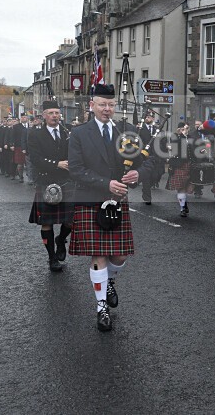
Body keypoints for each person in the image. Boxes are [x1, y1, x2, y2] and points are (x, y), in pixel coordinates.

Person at [68, 84, 156, 332]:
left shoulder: (126, 131)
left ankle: (109, 281)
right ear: (92, 105)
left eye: (111, 105)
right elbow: (76, 169)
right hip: (90, 199)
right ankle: (101, 307)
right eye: (102, 104)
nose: (107, 109)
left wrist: (138, 173)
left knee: (119, 255)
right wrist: (107, 183)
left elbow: (148, 162)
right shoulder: (79, 133)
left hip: (117, 203)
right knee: (98, 254)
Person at [27, 100, 74, 272]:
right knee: (46, 222)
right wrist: (56, 164)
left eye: (57, 112)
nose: (55, 116)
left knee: (71, 220)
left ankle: (61, 240)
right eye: (51, 113)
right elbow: (35, 159)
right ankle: (52, 257)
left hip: (67, 180)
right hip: (46, 181)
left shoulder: (67, 131)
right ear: (44, 115)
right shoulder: (35, 134)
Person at [165, 121, 194, 217]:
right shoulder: (175, 138)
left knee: (187, 188)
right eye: (182, 129)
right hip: (179, 165)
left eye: (186, 129)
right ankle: (182, 208)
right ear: (179, 130)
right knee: (181, 188)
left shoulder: (191, 138)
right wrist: (181, 135)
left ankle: (184, 203)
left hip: (190, 166)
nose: (185, 131)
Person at [138, 110, 164, 205]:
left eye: (149, 117)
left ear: (153, 118)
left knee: (156, 175)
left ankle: (151, 185)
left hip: (156, 156)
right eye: (146, 117)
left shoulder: (158, 129)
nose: (147, 118)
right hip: (144, 156)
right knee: (146, 178)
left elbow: (162, 142)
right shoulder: (140, 129)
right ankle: (147, 197)